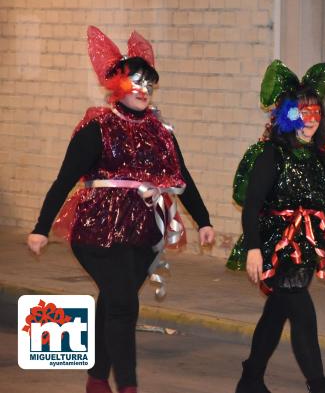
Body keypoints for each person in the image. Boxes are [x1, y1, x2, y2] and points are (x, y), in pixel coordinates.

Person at [27, 26, 214, 393]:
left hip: (144, 232)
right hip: (98, 231)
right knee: (124, 303)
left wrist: (204, 220)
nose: (143, 89)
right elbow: (64, 179)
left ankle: (97, 379)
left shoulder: (162, 131)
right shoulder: (97, 128)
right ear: (117, 85)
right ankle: (127, 386)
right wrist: (40, 227)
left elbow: (182, 177)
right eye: (135, 81)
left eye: (148, 83)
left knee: (114, 300)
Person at [227, 60, 325, 393]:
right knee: (302, 311)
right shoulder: (271, 154)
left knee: (277, 312)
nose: (310, 120)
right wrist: (255, 250)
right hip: (276, 243)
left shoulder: (321, 157)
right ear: (288, 115)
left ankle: (250, 379)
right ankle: (319, 386)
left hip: (306, 242)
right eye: (302, 112)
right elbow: (252, 205)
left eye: (315, 112)